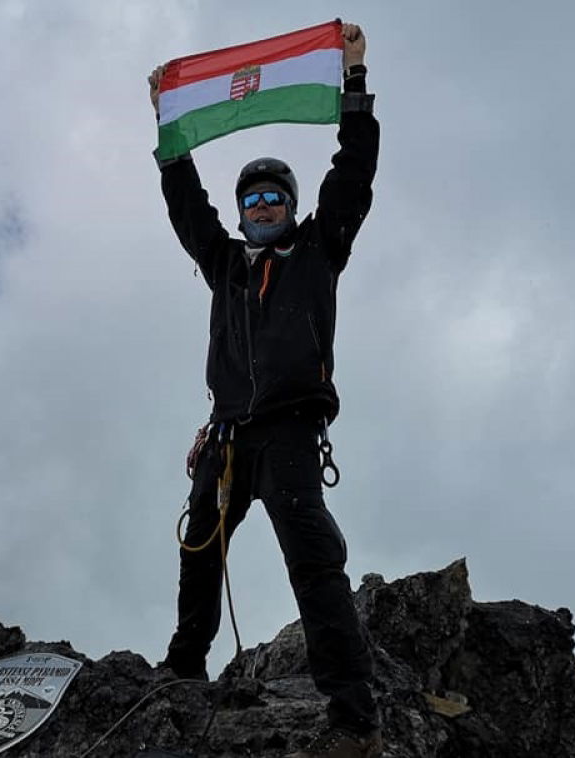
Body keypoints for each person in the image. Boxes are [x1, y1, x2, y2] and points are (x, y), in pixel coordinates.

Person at [148, 22, 381, 758]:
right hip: (226, 434)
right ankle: (186, 667)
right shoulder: (222, 263)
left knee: (312, 560)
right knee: (199, 545)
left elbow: (355, 171)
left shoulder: (320, 249)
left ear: (292, 205)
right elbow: (187, 207)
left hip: (288, 434)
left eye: (276, 196)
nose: (265, 206)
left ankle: (353, 718)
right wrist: (169, 131)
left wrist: (352, 82)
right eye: (254, 198)